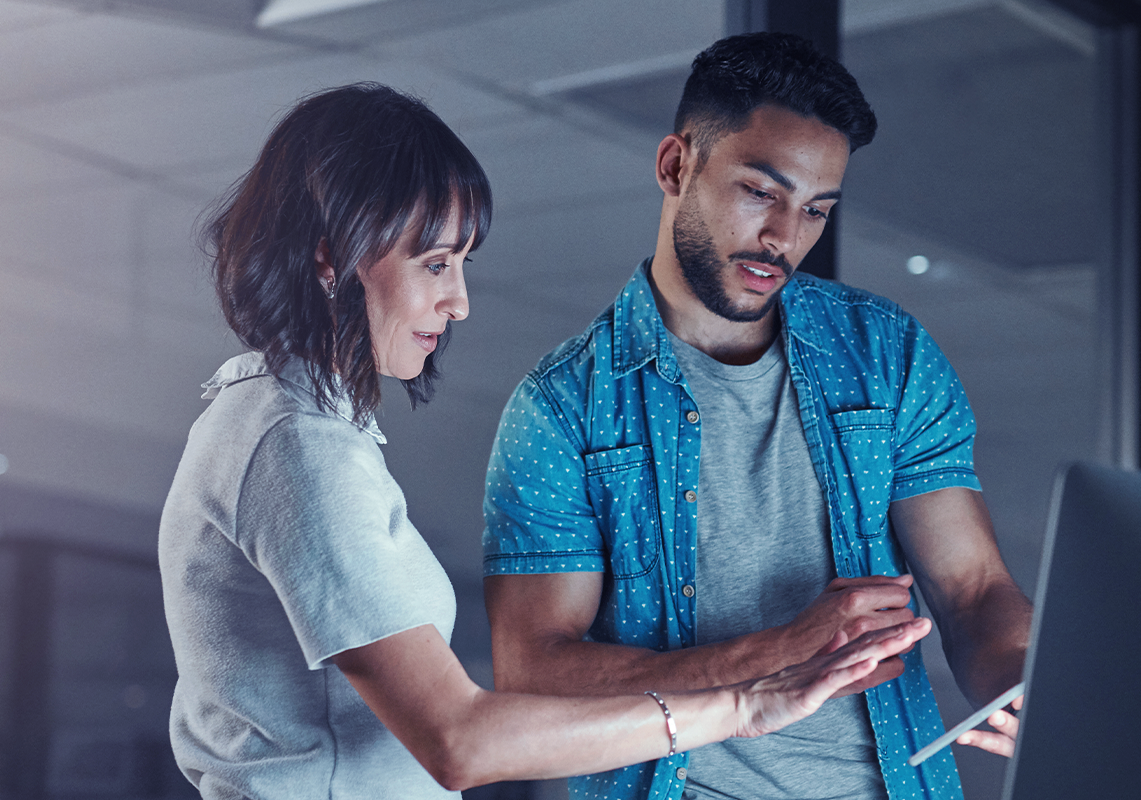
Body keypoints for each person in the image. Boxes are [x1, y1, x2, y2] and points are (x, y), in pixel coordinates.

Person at [158, 82, 933, 799]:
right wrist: (743, 706)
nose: (458, 302)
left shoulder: (292, 424)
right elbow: (459, 740)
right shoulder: (297, 446)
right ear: (331, 256)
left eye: (462, 264)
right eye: (435, 263)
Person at [481, 33, 1035, 800]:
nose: (785, 237)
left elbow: (973, 591)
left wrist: (1026, 686)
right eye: (760, 193)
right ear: (676, 166)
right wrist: (775, 653)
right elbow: (533, 669)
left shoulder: (887, 353)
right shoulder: (562, 406)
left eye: (815, 210)